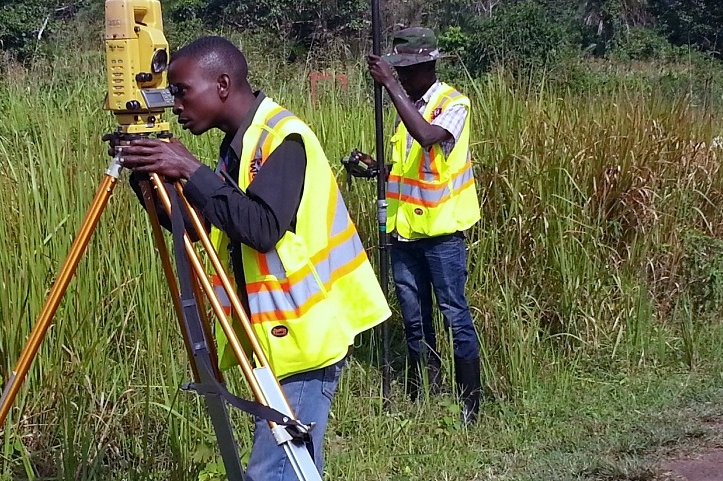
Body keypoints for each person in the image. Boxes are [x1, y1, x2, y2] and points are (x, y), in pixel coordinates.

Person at [114, 36, 391, 481]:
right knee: (294, 469)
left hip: (305, 337)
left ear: (222, 83)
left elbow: (261, 229)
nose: (175, 105)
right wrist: (151, 186)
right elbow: (206, 227)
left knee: (273, 470)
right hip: (273, 337)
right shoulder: (240, 146)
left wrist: (191, 169)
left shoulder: (284, 138)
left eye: (182, 91)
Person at [358, 26, 483, 425]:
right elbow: (409, 166)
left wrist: (391, 86)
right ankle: (421, 388)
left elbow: (429, 137)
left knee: (454, 314)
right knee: (414, 316)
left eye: (407, 72)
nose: (404, 78)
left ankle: (469, 403)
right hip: (404, 234)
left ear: (428, 66)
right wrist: (377, 168)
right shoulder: (407, 109)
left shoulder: (454, 103)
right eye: (399, 72)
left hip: (442, 235)